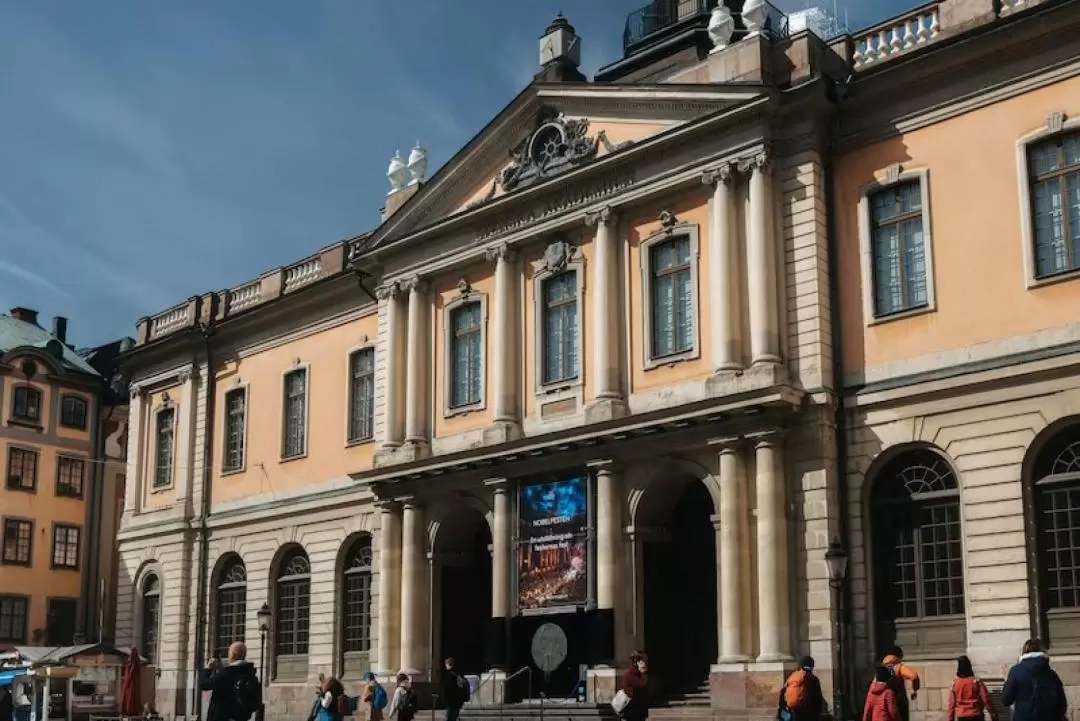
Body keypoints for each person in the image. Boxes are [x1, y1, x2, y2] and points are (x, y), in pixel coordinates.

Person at [1001, 638, 1067, 721]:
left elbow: (1006, 700)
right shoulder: (1051, 674)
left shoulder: (1015, 671)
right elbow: (1062, 704)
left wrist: (1007, 681)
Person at [198, 642, 261, 721]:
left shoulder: (227, 674)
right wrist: (222, 670)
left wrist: (208, 669)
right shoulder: (250, 674)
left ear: (233, 655)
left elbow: (203, 684)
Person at [947, 656, 997, 721]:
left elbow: (951, 705)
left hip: (962, 717)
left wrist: (950, 719)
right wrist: (993, 715)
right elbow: (986, 700)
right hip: (977, 716)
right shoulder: (977, 681)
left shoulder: (954, 684)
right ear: (969, 667)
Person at [778, 656, 827, 721]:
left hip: (792, 713)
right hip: (808, 714)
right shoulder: (813, 679)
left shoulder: (793, 677)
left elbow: (782, 694)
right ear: (812, 666)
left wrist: (784, 708)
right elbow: (817, 699)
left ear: (801, 665)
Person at [881, 646, 920, 721]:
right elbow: (914, 676)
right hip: (898, 702)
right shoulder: (898, 667)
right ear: (899, 656)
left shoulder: (881, 669)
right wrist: (914, 690)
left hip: (883, 704)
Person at [621, 652, 649, 721]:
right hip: (631, 708)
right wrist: (643, 674)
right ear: (636, 663)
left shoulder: (639, 674)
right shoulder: (630, 674)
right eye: (642, 662)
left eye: (645, 662)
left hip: (639, 707)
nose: (645, 664)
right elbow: (641, 684)